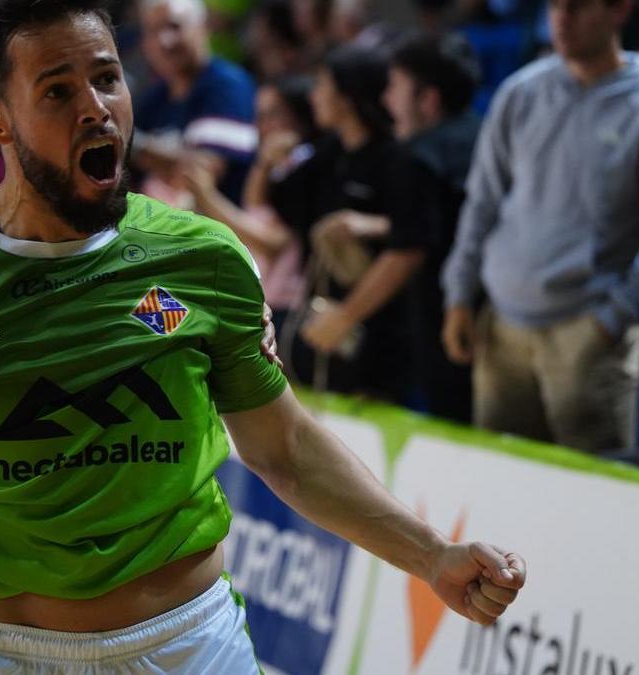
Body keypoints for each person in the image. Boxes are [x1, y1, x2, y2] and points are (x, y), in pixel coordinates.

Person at [0, 3, 526, 674]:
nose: (97, 107)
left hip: (192, 645)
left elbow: (288, 450)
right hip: (7, 653)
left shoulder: (204, 260)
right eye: (58, 91)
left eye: (107, 78)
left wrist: (433, 556)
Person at [441, 0, 639, 451]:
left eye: (578, 7)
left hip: (587, 335)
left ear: (619, 11)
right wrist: (460, 294)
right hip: (502, 326)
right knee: (501, 486)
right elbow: (482, 201)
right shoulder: (520, 93)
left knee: (593, 500)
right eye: (555, 6)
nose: (561, 18)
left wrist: (612, 320)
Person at [272, 45, 441, 405]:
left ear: (346, 96)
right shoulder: (328, 154)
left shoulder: (399, 160)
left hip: (380, 339)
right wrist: (265, 164)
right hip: (324, 326)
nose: (313, 95)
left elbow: (409, 249)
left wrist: (346, 317)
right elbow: (278, 207)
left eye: (322, 85)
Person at [383, 31, 482, 422]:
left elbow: (408, 250)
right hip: (497, 310)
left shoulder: (416, 157)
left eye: (394, 88)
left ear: (428, 99)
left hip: (445, 321)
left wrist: (344, 319)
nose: (386, 100)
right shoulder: (487, 135)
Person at [184, 76, 319, 331]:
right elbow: (255, 206)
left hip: (289, 305)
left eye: (273, 114)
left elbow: (272, 241)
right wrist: (264, 163)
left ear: (300, 115)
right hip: (269, 296)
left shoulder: (305, 163)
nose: (262, 125)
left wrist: (207, 196)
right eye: (259, 115)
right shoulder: (279, 165)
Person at [132, 0, 258, 202]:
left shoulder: (228, 85)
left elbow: (203, 172)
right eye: (152, 31)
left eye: (174, 26)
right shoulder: (153, 98)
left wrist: (131, 143)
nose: (164, 41)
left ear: (203, 27)